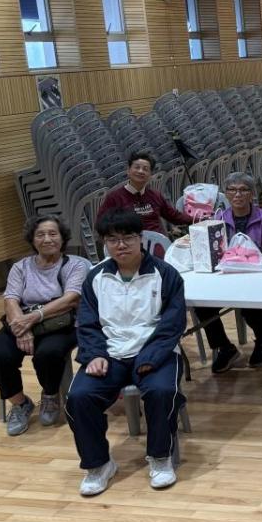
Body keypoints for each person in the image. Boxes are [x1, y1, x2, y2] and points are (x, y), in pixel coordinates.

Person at [66, 209, 187, 496]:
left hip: (154, 352)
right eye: (113, 239)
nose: (121, 245)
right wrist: (94, 354)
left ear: (140, 238)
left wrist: (150, 357)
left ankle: (160, 457)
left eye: (128, 238)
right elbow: (87, 323)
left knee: (161, 391)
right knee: (78, 397)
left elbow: (173, 324)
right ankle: (99, 464)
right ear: (104, 243)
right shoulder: (96, 277)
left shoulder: (165, 274)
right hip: (109, 353)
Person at [0, 215, 90, 436]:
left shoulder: (76, 264)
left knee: (48, 353)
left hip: (62, 323)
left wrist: (34, 317)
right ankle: (20, 403)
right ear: (32, 240)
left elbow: (71, 298)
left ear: (62, 238)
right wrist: (21, 328)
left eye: (53, 234)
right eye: (40, 234)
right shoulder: (20, 267)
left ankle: (50, 395)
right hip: (23, 321)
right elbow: (11, 299)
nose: (47, 239)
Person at [194, 173, 262, 374]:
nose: (238, 194)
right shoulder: (217, 219)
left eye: (243, 190)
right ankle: (225, 347)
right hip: (225, 278)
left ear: (252, 194)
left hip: (257, 277)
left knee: (248, 304)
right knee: (202, 305)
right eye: (232, 190)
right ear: (226, 194)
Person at [97, 151, 192, 235]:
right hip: (131, 242)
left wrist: (196, 219)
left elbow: (174, 216)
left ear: (150, 175)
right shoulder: (114, 198)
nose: (141, 171)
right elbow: (101, 224)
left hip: (158, 243)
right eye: (137, 167)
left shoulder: (155, 195)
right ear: (128, 171)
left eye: (145, 169)